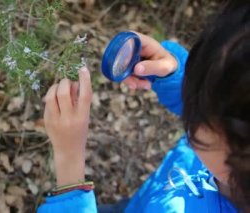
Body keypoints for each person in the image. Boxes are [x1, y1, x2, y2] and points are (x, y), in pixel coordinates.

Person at [37, 1, 250, 213]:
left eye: (199, 105)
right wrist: (173, 74)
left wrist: (69, 168)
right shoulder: (228, 142)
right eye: (198, 83)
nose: (192, 100)